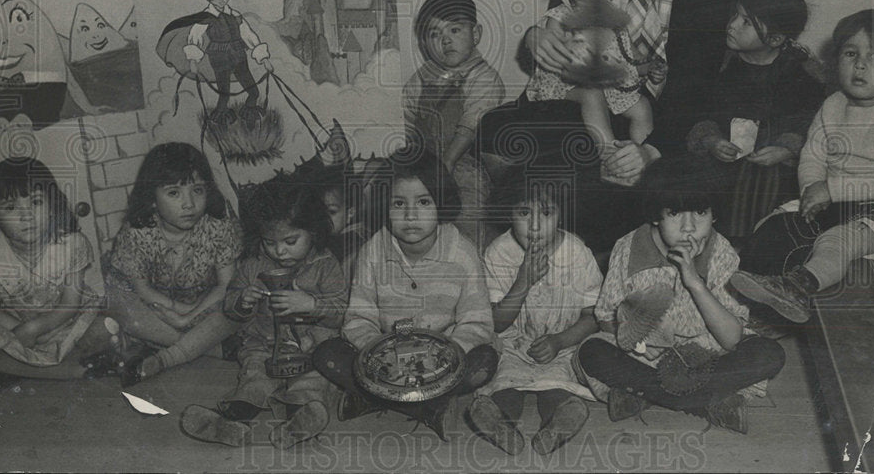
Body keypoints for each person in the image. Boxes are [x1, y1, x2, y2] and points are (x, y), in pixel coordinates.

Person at [481, 0, 730, 254]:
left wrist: (650, 150)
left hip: (653, 114)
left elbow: (696, 83)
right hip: (582, 99)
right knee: (499, 132)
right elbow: (560, 19)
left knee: (606, 182)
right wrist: (533, 35)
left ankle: (592, 274)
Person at [730, 10, 874, 323]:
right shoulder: (834, 104)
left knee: (836, 243)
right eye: (851, 54)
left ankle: (797, 288)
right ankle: (755, 307)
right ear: (837, 61)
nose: (860, 64)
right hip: (829, 195)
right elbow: (813, 153)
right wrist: (812, 186)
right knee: (771, 225)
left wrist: (831, 189)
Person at [575, 155, 786, 434]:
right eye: (674, 213)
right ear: (655, 215)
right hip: (647, 358)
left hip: (708, 355)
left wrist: (695, 283)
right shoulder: (629, 247)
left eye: (700, 213)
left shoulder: (720, 251)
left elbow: (731, 338)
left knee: (769, 353)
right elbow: (606, 318)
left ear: (715, 214)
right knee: (590, 352)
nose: (689, 227)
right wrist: (638, 339)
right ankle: (704, 402)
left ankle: (651, 396)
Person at [312, 146, 498, 440]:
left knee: (485, 361)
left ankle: (374, 399)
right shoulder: (373, 251)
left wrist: (444, 356)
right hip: (386, 359)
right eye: (398, 204)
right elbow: (358, 318)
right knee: (326, 354)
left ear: (441, 202)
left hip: (444, 359)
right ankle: (427, 409)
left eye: (423, 202)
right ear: (384, 207)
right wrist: (381, 356)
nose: (411, 215)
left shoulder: (462, 252)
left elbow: (478, 322)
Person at [180, 177, 347, 449]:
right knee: (253, 381)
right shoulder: (253, 264)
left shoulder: (325, 265)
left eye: (291, 241)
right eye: (270, 242)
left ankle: (298, 424)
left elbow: (341, 311)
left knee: (311, 386)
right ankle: (230, 422)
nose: (280, 251)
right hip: (264, 348)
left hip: (312, 351)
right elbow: (231, 305)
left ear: (314, 232)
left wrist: (312, 304)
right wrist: (243, 301)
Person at [468, 170, 603, 455]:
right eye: (524, 212)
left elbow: (593, 316)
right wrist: (523, 281)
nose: (535, 226)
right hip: (512, 344)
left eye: (546, 212)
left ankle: (556, 426)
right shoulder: (498, 253)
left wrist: (560, 341)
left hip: (563, 343)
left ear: (562, 215)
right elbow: (496, 323)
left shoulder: (577, 253)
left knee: (557, 385)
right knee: (504, 382)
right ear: (508, 213)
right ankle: (500, 423)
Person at [687, 0, 825, 240]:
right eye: (734, 15)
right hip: (724, 163)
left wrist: (786, 149)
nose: (732, 25)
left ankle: (759, 247)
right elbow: (701, 111)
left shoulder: (799, 74)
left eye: (746, 22)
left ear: (775, 38)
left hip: (777, 171)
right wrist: (712, 140)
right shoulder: (720, 65)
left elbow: (812, 123)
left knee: (776, 198)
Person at [0, 157, 119, 380]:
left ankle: (42, 367)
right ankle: (65, 371)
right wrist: (23, 331)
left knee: (105, 327)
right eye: (11, 207)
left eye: (35, 203)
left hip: (64, 322)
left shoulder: (73, 244)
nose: (26, 216)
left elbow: (70, 304)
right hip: (13, 328)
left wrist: (36, 330)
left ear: (52, 206)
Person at [103, 142, 243, 385]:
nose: (189, 204)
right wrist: (177, 312)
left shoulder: (219, 224)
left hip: (204, 302)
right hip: (156, 304)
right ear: (152, 199)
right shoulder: (137, 231)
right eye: (174, 193)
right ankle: (210, 348)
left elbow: (225, 286)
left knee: (238, 303)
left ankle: (164, 354)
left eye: (197, 190)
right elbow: (143, 290)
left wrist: (189, 317)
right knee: (116, 302)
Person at [526, 0, 665, 152]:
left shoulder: (617, 20)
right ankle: (608, 153)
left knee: (642, 106)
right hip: (565, 87)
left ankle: (637, 155)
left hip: (609, 86)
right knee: (592, 94)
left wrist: (650, 68)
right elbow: (556, 63)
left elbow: (631, 61)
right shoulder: (560, 17)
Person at [403, 0, 506, 247]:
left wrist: (447, 162)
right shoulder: (423, 76)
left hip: (463, 164)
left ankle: (476, 268)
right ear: (424, 43)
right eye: (435, 34)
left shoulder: (483, 76)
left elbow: (471, 123)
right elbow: (405, 115)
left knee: (468, 224)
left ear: (476, 34)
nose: (445, 40)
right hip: (424, 165)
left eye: (455, 30)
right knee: (415, 222)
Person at [158, 0, 274, 125]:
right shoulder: (206, 17)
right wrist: (193, 61)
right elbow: (194, 38)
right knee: (224, 95)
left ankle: (250, 118)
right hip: (219, 58)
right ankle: (220, 125)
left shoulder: (235, 15)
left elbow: (248, 35)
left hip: (239, 55)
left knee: (254, 92)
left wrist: (264, 59)